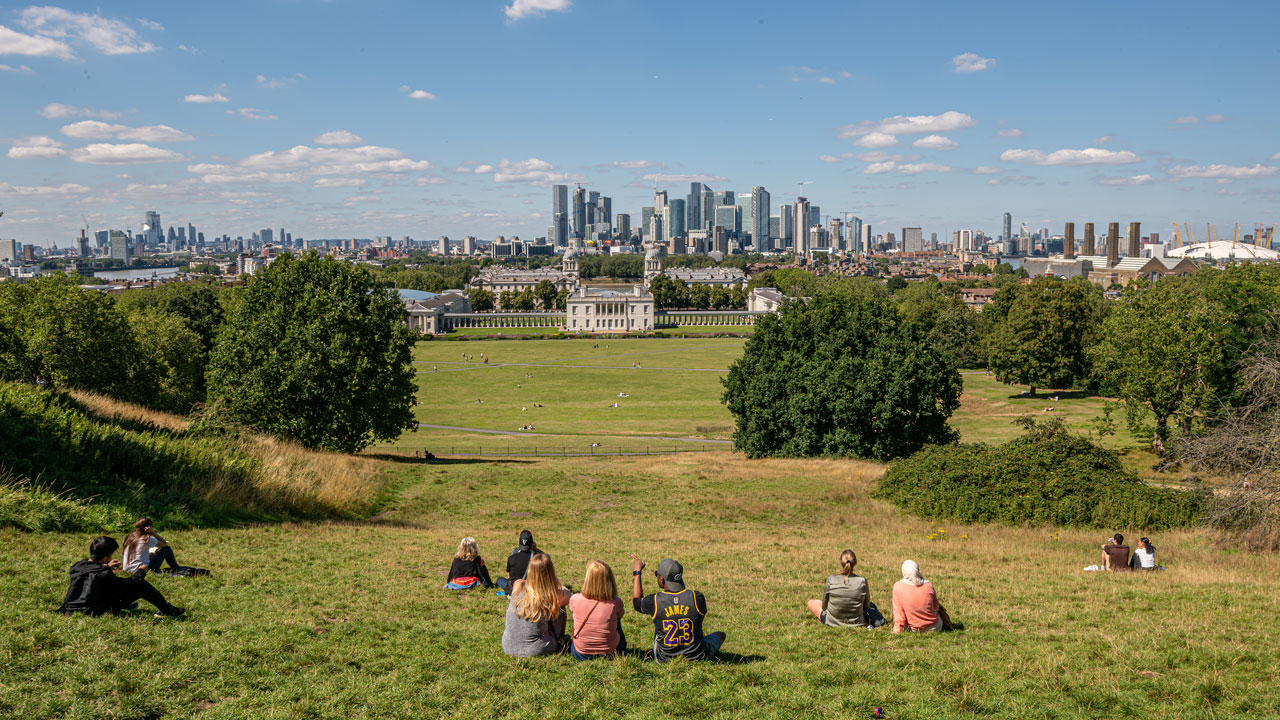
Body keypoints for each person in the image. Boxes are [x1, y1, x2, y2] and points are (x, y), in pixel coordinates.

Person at [57, 536, 185, 618]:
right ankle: (167, 610)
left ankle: (128, 604)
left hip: (71, 608)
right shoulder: (104, 574)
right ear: (105, 557)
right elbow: (129, 583)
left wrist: (106, 566)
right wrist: (141, 571)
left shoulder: (77, 566)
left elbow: (93, 572)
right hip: (93, 610)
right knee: (140, 585)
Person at [631, 555, 725, 662]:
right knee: (721, 635)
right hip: (698, 656)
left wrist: (637, 572)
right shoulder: (697, 598)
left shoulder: (654, 601)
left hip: (663, 658)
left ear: (662, 579)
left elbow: (636, 601)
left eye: (656, 574)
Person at [502, 552, 571, 657]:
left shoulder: (518, 585)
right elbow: (568, 596)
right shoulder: (551, 594)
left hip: (508, 646)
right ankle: (560, 640)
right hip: (538, 648)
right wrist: (555, 582)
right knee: (560, 606)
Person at [806, 549, 882, 628]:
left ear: (840, 562)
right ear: (855, 563)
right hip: (857, 622)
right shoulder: (862, 581)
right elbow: (866, 606)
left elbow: (824, 606)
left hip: (832, 621)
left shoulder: (831, 579)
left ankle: (822, 619)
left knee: (811, 603)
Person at [569, 560, 626, 660]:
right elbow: (620, 615)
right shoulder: (615, 602)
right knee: (616, 619)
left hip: (581, 653)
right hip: (610, 652)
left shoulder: (575, 599)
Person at [891, 560, 949, 633]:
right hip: (935, 627)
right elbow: (936, 606)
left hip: (914, 629)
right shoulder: (928, 585)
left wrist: (896, 631)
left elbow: (899, 613)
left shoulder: (898, 586)